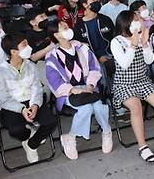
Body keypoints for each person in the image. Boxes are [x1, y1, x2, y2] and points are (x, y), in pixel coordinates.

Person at [110, 10, 154, 163]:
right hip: (124, 84)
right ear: (125, 23)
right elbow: (124, 64)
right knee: (136, 107)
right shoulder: (116, 41)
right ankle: (142, 147)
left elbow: (149, 60)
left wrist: (144, 44)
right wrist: (133, 42)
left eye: (139, 19)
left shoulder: (141, 37)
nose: (139, 23)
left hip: (142, 80)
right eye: (135, 20)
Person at [44, 19, 112, 159]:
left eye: (67, 26)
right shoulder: (52, 57)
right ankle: (71, 138)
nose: (67, 28)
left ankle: (107, 132)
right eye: (63, 27)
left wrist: (90, 85)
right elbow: (54, 81)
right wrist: (74, 90)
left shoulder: (82, 47)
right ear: (56, 35)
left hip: (88, 87)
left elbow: (94, 67)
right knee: (86, 108)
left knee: (99, 107)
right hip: (69, 92)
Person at [0, 33, 57, 164]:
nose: (28, 47)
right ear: (13, 52)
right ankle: (28, 135)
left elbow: (37, 88)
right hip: (12, 104)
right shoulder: (1, 71)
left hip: (32, 100)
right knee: (16, 130)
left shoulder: (30, 65)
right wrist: (21, 109)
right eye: (24, 45)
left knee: (50, 122)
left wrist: (35, 105)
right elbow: (1, 97)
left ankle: (31, 145)